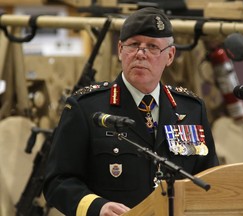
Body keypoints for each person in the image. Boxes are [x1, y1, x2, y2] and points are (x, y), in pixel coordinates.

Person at [43, 7, 219, 216]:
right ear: (120, 50)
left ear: (170, 55)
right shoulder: (86, 107)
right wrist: (97, 208)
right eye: (134, 44)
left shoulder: (191, 109)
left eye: (153, 47)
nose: (140, 54)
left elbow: (209, 180)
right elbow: (58, 181)